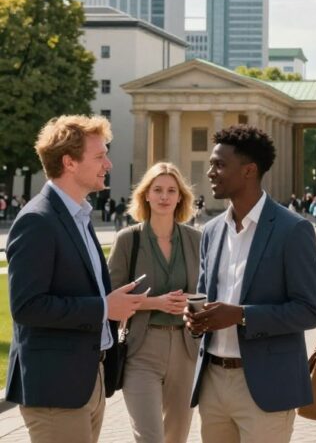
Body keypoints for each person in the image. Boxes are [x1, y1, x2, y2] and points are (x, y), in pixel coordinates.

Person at [5, 115, 147, 442]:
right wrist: (103, 308)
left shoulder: (78, 215)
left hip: (88, 380)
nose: (109, 164)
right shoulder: (38, 221)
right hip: (56, 390)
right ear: (69, 162)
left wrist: (114, 303)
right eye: (99, 157)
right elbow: (27, 307)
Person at [184, 125, 316, 443]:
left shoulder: (293, 230)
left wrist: (242, 315)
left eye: (219, 164)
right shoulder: (212, 231)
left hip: (266, 385)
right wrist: (195, 319)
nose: (210, 172)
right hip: (212, 382)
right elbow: (207, 296)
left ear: (249, 170)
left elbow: (309, 310)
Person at [108, 162, 202, 443]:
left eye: (171, 190)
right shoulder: (128, 240)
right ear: (145, 195)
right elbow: (111, 296)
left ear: (180, 197)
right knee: (150, 436)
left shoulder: (196, 239)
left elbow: (211, 291)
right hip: (142, 348)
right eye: (157, 190)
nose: (164, 196)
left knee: (177, 435)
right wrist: (157, 303)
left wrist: (191, 301)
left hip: (186, 350)